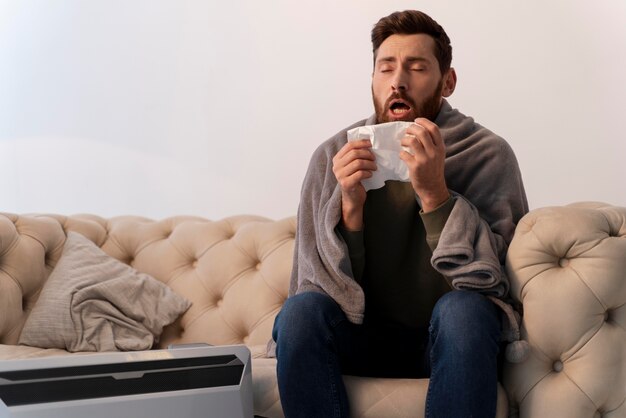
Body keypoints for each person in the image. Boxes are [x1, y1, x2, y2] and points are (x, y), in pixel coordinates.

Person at [270, 9, 528, 418]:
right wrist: (349, 208)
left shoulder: (487, 154)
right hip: (359, 337)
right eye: (385, 68)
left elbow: (493, 282)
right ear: (373, 79)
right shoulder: (332, 157)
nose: (398, 81)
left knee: (463, 312)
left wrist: (435, 194)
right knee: (299, 314)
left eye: (417, 67)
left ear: (448, 82)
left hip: (447, 340)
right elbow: (313, 283)